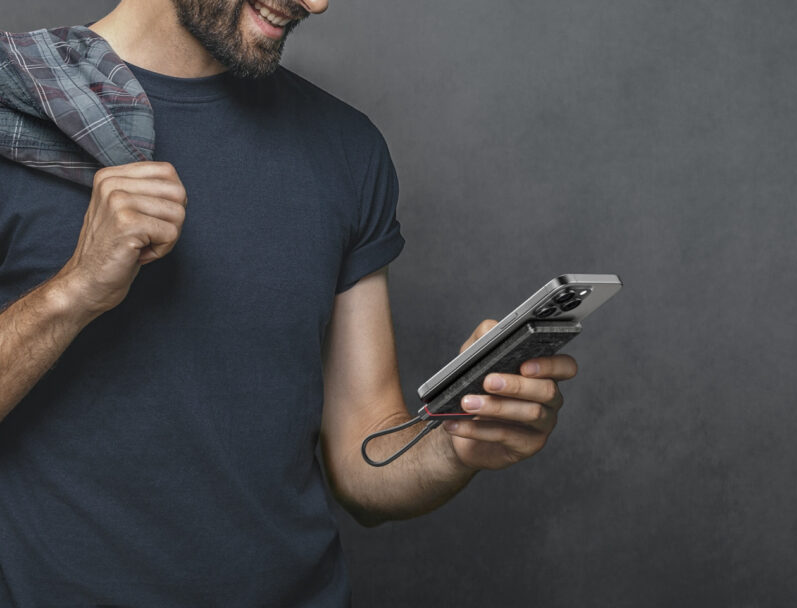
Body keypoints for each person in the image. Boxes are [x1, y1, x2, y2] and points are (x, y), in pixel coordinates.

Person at [0, 0, 578, 605]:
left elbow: (364, 465)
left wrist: (456, 444)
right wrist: (73, 290)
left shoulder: (347, 151)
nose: (317, 2)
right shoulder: (19, 105)